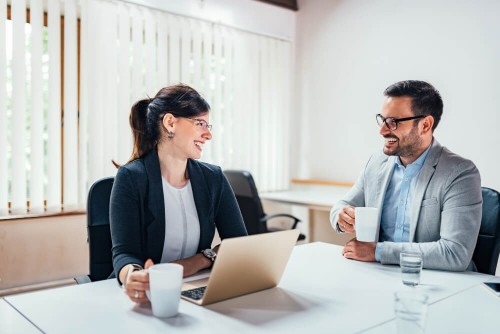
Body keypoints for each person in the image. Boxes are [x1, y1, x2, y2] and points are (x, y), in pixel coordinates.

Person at [110, 84, 247, 304]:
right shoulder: (131, 178)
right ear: (170, 123)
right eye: (199, 124)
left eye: (207, 124)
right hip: (149, 294)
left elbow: (239, 244)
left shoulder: (213, 178)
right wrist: (133, 276)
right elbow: (124, 254)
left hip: (197, 287)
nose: (208, 134)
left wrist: (198, 261)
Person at [330, 80, 482, 271]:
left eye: (393, 122)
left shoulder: (460, 173)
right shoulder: (376, 163)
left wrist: (378, 252)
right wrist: (341, 216)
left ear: (425, 125)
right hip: (380, 275)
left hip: (438, 283)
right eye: (382, 119)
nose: (382, 130)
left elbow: (455, 253)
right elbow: (342, 205)